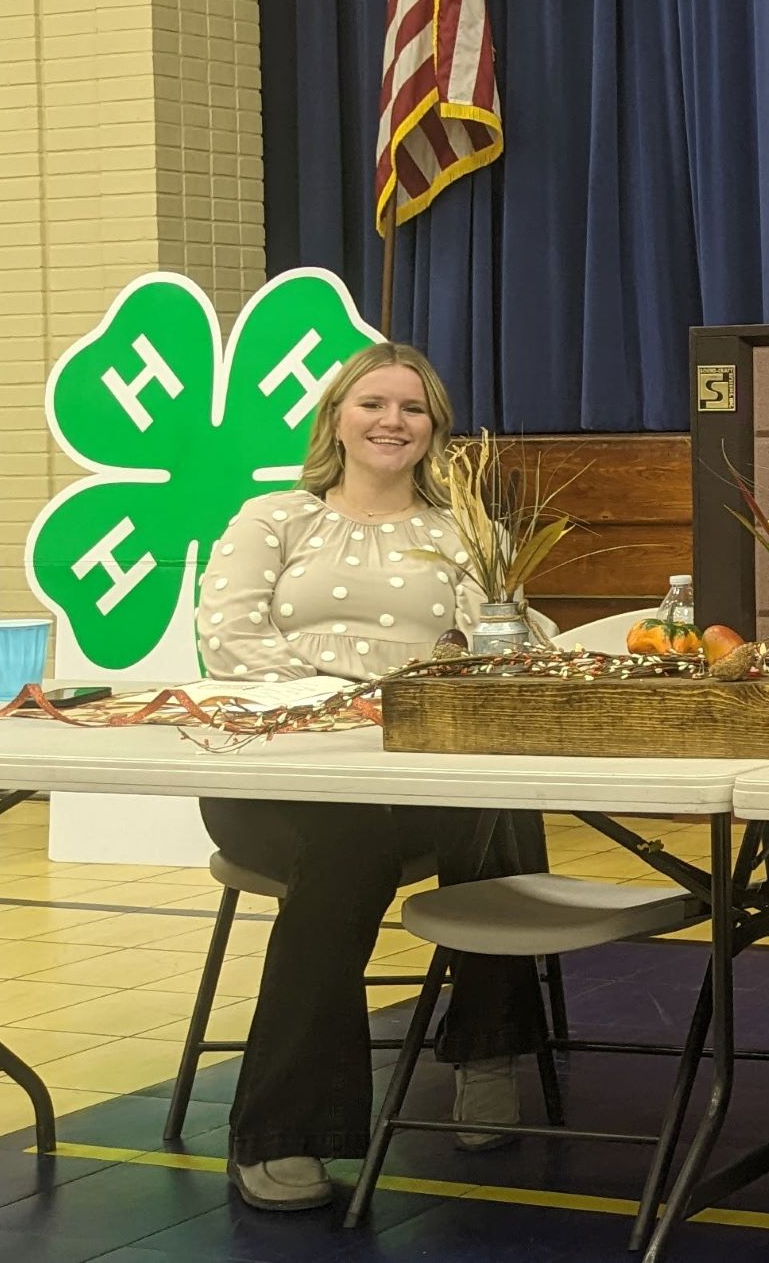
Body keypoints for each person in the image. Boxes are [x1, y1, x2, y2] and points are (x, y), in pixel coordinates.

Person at [197, 342, 548, 1212]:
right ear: (337, 420)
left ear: (435, 430)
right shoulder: (274, 519)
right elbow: (230, 637)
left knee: (494, 799)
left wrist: (470, 659)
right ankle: (285, 1127)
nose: (393, 420)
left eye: (413, 407)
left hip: (415, 778)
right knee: (348, 838)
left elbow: (518, 639)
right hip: (280, 779)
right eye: (374, 403)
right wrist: (355, 704)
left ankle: (486, 1046)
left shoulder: (466, 533)